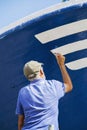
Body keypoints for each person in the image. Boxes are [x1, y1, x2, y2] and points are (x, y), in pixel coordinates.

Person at [16, 53, 73, 130]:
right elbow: (69, 86)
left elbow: (20, 123)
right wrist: (61, 65)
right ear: (41, 72)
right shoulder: (53, 85)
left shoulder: (22, 92)